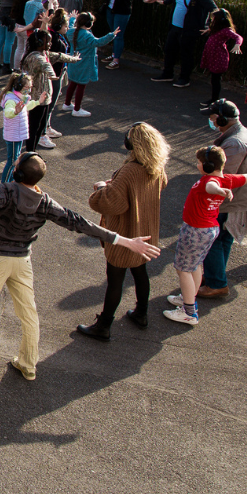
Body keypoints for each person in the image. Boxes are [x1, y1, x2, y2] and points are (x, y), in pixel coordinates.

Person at [0, 153, 161, 382]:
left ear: (18, 173)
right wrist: (126, 241)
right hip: (22, 262)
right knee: (29, 315)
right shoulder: (44, 201)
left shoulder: (5, 191)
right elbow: (79, 223)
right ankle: (28, 364)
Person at [165, 146, 247, 326]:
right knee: (195, 266)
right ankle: (188, 298)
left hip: (195, 231)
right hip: (209, 230)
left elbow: (211, 187)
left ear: (208, 166)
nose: (197, 165)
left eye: (199, 162)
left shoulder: (209, 181)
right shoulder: (228, 180)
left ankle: (188, 312)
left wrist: (219, 191)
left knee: (183, 269)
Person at [77, 122, 170, 340]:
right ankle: (141, 314)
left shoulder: (130, 170)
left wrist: (102, 188)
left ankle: (104, 326)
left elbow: (113, 203)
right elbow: (160, 185)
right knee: (140, 273)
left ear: (132, 144)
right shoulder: (155, 166)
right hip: (145, 232)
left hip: (126, 233)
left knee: (115, 280)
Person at [189, 100, 247, 301]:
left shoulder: (234, 144)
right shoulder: (241, 134)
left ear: (222, 119)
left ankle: (216, 283)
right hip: (238, 198)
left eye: (213, 118)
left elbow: (222, 176)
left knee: (213, 240)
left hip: (231, 201)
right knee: (223, 239)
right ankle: (215, 276)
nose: (211, 122)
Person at [147, 0, 217, 88]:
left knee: (186, 55)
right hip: (175, 27)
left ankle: (184, 79)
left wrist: (211, 27)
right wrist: (155, 1)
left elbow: (215, 9)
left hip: (188, 30)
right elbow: (168, 1)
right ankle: (167, 74)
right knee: (169, 50)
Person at [74, 0, 143, 70]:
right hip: (111, 10)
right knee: (112, 33)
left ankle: (116, 60)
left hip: (122, 13)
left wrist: (145, 0)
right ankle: (114, 54)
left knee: (118, 35)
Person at [21, 29, 78, 151]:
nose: (50, 44)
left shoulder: (44, 53)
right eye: (48, 42)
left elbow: (59, 56)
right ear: (39, 42)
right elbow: (45, 65)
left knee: (40, 127)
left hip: (45, 99)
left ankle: (33, 152)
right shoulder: (35, 57)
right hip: (37, 98)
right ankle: (30, 153)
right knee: (34, 127)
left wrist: (74, 59)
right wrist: (52, 74)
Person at [61, 12, 120, 117]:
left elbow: (70, 26)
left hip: (73, 63)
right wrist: (112, 35)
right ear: (89, 24)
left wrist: (72, 19)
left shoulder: (71, 32)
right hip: (84, 64)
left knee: (73, 83)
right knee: (81, 85)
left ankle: (67, 103)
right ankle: (77, 109)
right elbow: (98, 42)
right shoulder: (87, 35)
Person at [199, 8, 244, 104]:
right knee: (214, 79)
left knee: (215, 79)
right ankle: (214, 99)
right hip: (213, 56)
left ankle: (214, 100)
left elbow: (238, 37)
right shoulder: (218, 29)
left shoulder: (226, 30)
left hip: (218, 58)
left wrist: (237, 44)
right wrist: (208, 31)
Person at [0, 73, 35, 185]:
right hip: (14, 135)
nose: (28, 91)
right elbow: (8, 113)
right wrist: (15, 112)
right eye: (26, 88)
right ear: (18, 87)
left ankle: (10, 182)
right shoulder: (11, 100)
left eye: (30, 88)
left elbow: (26, 107)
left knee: (15, 159)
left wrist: (38, 102)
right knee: (13, 161)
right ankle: (4, 185)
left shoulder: (18, 97)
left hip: (17, 134)